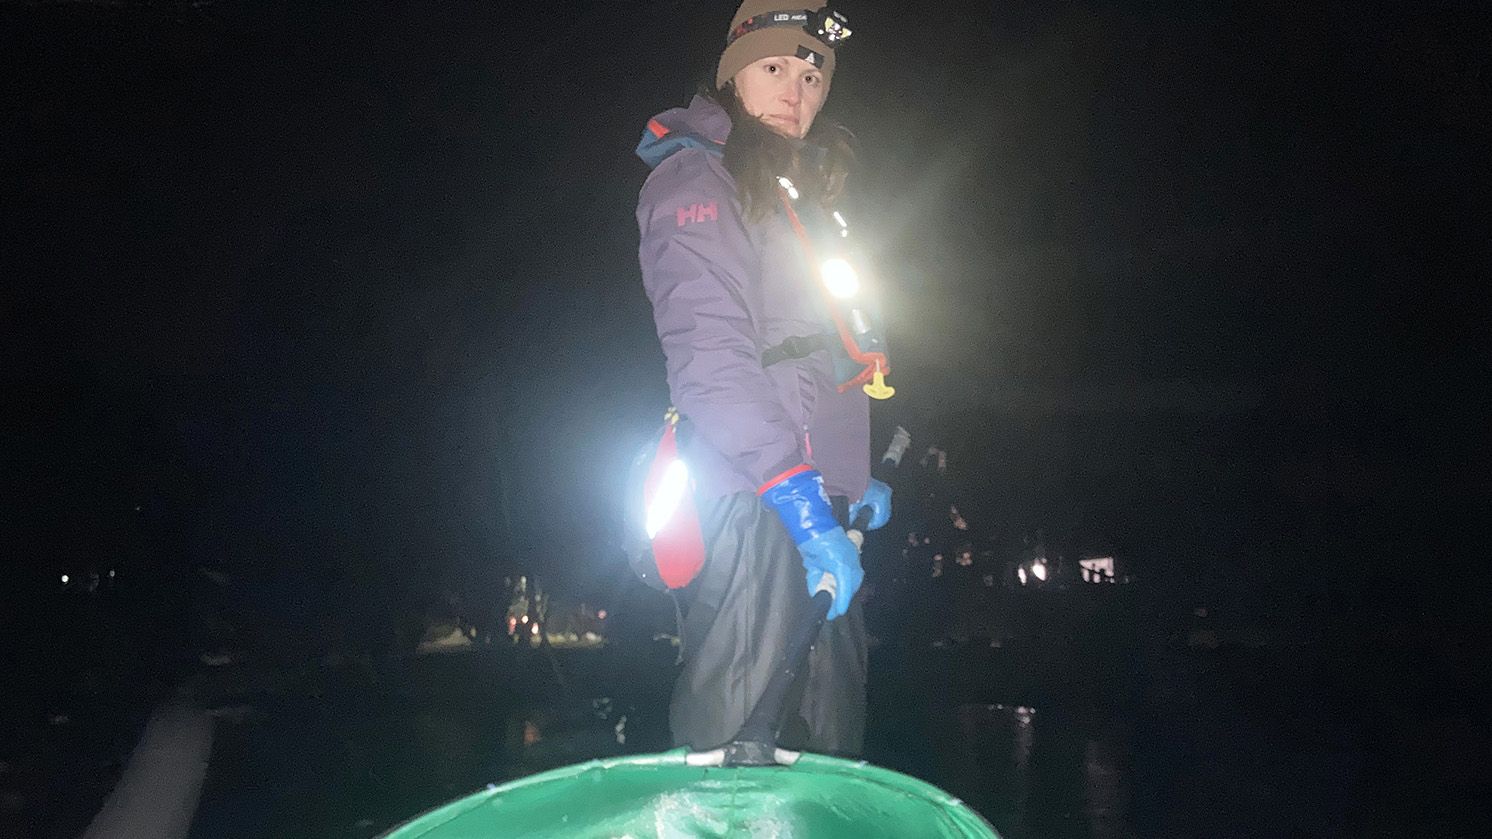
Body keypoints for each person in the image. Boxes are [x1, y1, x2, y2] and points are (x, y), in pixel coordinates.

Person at [634, 1, 891, 756]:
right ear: (731, 78)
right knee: (736, 759)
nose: (796, 90)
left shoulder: (802, 199)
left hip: (824, 512)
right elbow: (709, 363)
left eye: (814, 75)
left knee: (830, 751)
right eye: (776, 66)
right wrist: (798, 497)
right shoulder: (696, 179)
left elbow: (820, 355)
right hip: (759, 504)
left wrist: (853, 479)